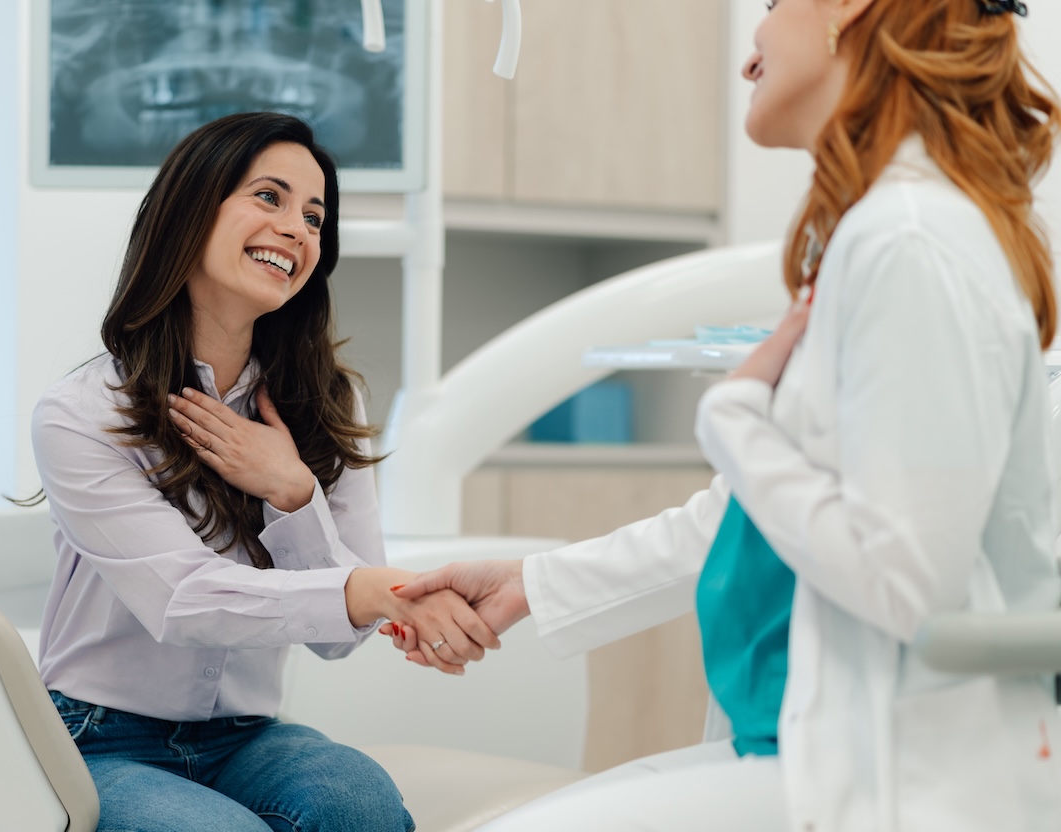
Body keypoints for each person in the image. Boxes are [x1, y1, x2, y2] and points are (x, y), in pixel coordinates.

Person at [386, 0, 1061, 828]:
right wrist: (530, 585)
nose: (749, 57)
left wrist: (736, 423)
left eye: (771, 8)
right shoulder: (882, 235)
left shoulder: (908, 242)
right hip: (824, 747)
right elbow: (755, 522)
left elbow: (908, 580)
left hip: (901, 780)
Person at [30, 111, 498, 832]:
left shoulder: (326, 403)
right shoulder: (82, 412)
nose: (299, 229)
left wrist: (293, 492)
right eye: (269, 198)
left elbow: (339, 636)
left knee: (360, 806)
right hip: (97, 737)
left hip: (245, 735)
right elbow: (184, 601)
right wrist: (370, 589)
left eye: (315, 216)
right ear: (190, 211)